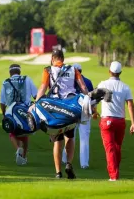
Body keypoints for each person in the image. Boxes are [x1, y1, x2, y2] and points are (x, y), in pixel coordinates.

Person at [31, 49, 89, 179]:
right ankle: (68, 163)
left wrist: (36, 103)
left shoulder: (48, 70)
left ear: (52, 59)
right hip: (70, 108)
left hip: (54, 109)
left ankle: (58, 172)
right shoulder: (73, 70)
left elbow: (43, 87)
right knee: (70, 137)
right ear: (63, 59)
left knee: (57, 141)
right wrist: (87, 100)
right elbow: (83, 87)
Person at [95, 61, 134, 181]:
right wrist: (133, 123)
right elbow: (130, 105)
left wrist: (94, 111)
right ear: (120, 73)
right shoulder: (125, 87)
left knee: (110, 149)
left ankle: (113, 176)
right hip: (120, 121)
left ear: (109, 71)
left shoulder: (103, 84)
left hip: (107, 120)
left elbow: (94, 99)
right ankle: (115, 171)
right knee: (117, 147)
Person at [0, 64, 38, 166]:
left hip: (10, 112)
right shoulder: (27, 79)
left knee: (12, 133)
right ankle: (24, 157)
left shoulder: (6, 82)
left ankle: (17, 149)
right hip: (25, 111)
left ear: (10, 73)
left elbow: (2, 102)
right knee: (25, 133)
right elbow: (36, 96)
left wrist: (3, 114)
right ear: (19, 72)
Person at [62, 63, 94, 169]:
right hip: (85, 112)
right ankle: (84, 163)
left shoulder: (69, 82)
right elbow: (92, 99)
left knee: (69, 136)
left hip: (72, 111)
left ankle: (64, 159)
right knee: (84, 137)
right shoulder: (88, 82)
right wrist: (93, 109)